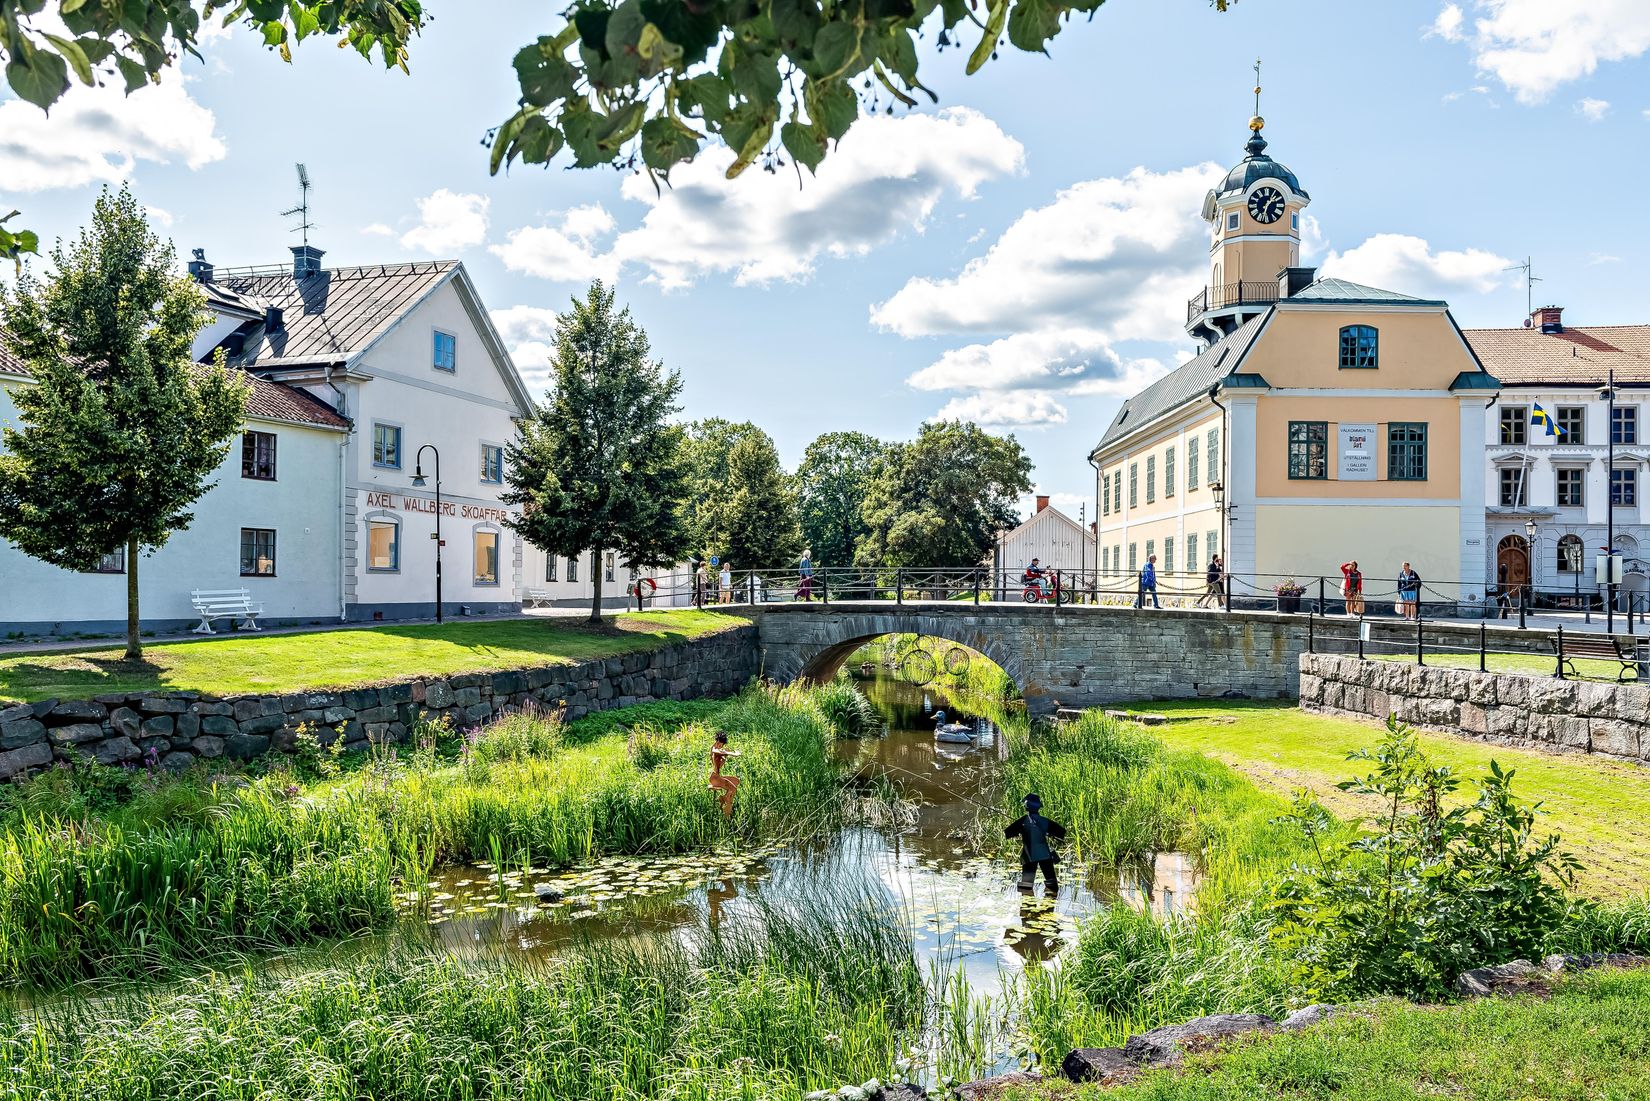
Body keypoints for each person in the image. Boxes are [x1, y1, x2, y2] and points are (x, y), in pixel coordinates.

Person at [1005, 792, 1067, 892]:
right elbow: (1061, 832)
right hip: (1045, 856)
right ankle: (1051, 898)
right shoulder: (1045, 821)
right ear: (1039, 807)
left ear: (1026, 807)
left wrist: (1019, 831)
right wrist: (1049, 833)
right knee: (1052, 886)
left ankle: (1028, 900)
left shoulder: (1022, 821)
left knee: (1026, 887)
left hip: (1029, 857)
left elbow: (1008, 833)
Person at [708, 730, 741, 816]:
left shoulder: (718, 752)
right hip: (714, 777)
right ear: (717, 742)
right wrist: (734, 754)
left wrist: (725, 757)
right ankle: (726, 805)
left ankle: (724, 798)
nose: (720, 746)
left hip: (718, 776)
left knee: (736, 781)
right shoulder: (714, 749)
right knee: (733, 789)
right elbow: (717, 752)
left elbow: (720, 763)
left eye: (721, 745)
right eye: (720, 744)